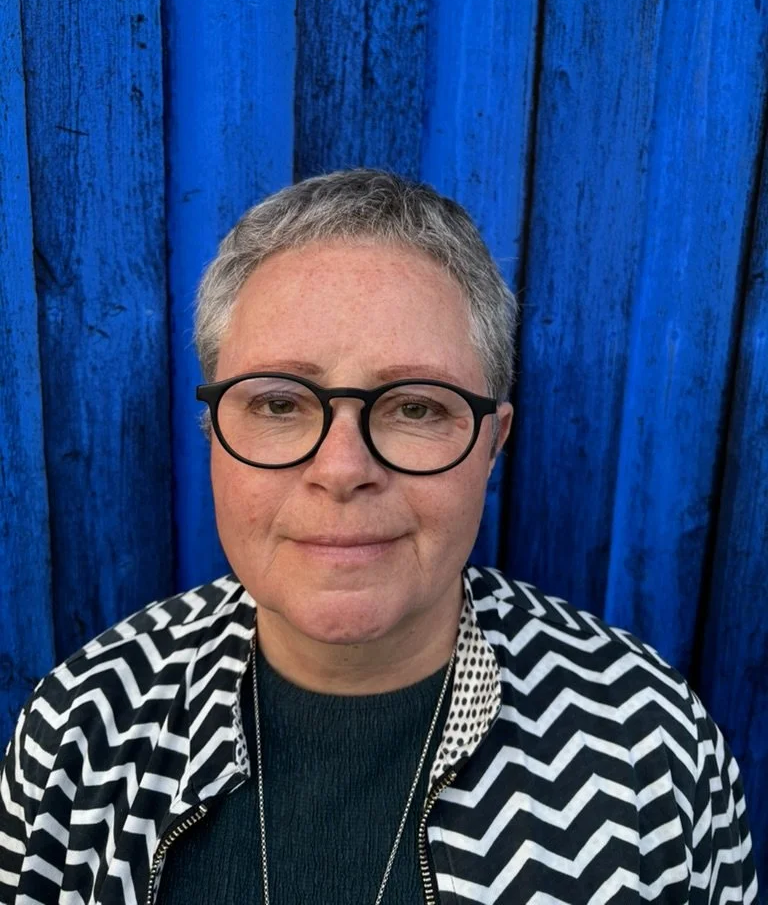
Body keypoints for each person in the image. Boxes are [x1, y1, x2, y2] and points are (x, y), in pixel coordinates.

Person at [0, 169, 757, 905]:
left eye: (416, 408)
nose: (341, 469)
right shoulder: (82, 726)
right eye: (278, 404)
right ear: (212, 433)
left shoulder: (649, 745)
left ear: (493, 444)